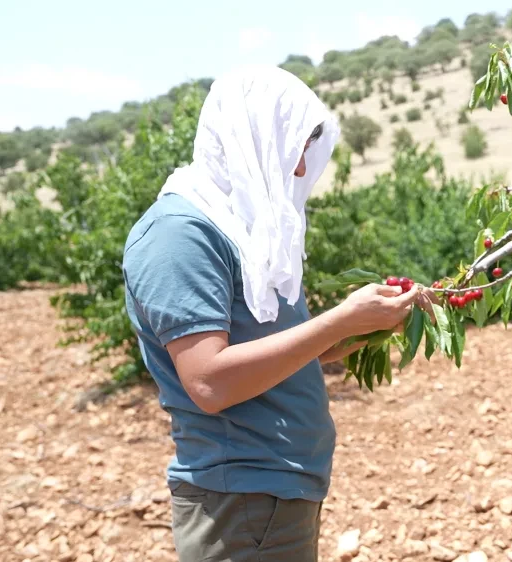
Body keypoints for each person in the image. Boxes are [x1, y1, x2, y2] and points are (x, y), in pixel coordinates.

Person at [121, 65, 430, 561]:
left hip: (274, 494)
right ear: (250, 137)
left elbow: (273, 345)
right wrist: (341, 320)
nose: (303, 168)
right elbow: (209, 382)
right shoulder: (180, 235)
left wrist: (362, 331)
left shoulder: (247, 233)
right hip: (240, 502)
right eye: (293, 146)